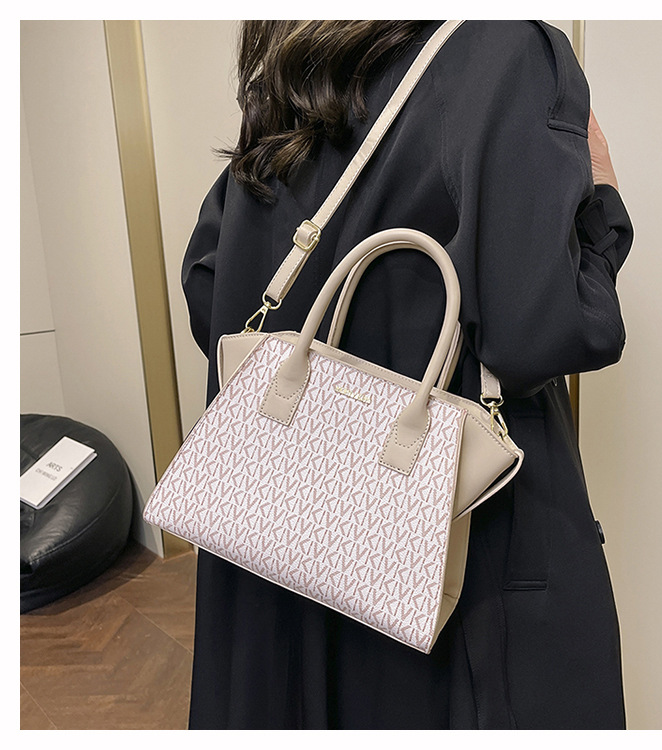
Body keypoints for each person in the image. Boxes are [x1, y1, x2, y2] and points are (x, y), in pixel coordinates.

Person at [181, 20, 633, 729]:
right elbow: (540, 330)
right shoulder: (506, 48)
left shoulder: (291, 62)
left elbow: (209, 289)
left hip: (280, 534)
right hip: (450, 558)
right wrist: (602, 204)